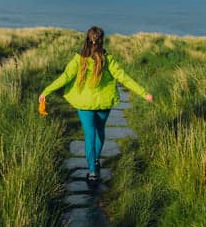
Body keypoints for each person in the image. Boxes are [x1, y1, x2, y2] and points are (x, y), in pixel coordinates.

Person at [39, 26, 153, 186]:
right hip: (104, 103)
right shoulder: (108, 59)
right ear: (101, 41)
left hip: (84, 104)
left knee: (90, 135)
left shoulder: (79, 60)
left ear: (87, 40)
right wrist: (144, 93)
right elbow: (124, 78)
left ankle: (92, 171)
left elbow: (64, 77)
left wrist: (46, 91)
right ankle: (96, 160)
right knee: (100, 131)